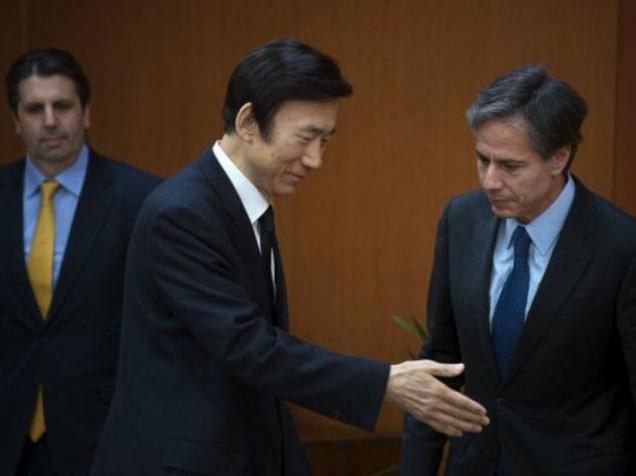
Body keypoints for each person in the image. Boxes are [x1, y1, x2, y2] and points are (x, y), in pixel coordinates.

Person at [90, 38, 489, 476]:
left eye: (325, 140)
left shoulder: (243, 202)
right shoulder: (182, 213)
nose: (315, 159)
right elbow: (248, 346)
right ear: (247, 122)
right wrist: (386, 383)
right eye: (305, 138)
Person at [400, 65, 636, 475]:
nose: (490, 181)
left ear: (559, 157)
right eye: (482, 159)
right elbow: (441, 362)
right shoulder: (461, 219)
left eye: (510, 166)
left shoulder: (621, 246)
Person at [0, 48, 161, 475]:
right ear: (16, 120)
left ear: (86, 113)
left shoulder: (142, 200)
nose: (50, 121)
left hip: (104, 439)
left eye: (63, 106)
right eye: (35, 109)